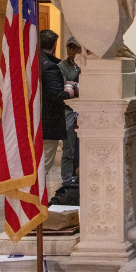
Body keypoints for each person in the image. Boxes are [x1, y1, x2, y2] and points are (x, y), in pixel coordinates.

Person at [39, 30, 74, 187]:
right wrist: (68, 92)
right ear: (55, 45)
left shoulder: (32, 62)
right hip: (49, 124)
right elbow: (56, 96)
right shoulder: (50, 67)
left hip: (35, 123)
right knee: (43, 167)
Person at [58, 37, 82, 186]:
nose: (72, 51)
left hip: (83, 110)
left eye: (75, 48)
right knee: (68, 149)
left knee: (81, 148)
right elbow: (63, 84)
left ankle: (80, 176)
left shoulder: (83, 65)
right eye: (69, 47)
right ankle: (66, 180)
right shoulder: (62, 66)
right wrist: (76, 85)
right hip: (68, 110)